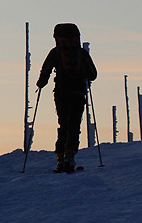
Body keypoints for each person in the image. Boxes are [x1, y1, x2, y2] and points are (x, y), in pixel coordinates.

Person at [36, 23, 97, 172]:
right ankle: (70, 155)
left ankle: (60, 156)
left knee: (63, 123)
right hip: (78, 92)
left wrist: (41, 83)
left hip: (61, 92)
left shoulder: (55, 52)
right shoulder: (82, 53)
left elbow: (45, 71)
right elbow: (93, 74)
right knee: (74, 124)